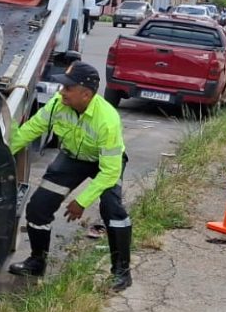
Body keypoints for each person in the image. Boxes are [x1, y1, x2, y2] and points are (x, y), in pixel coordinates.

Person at [7, 62, 133, 290]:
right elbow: (30, 130)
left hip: (104, 164)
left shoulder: (108, 120)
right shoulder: (57, 105)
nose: (61, 92)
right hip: (72, 158)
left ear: (86, 94)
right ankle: (37, 261)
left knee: (113, 210)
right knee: (38, 209)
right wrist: (3, 156)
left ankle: (121, 272)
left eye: (68, 88)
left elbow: (110, 171)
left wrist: (82, 201)